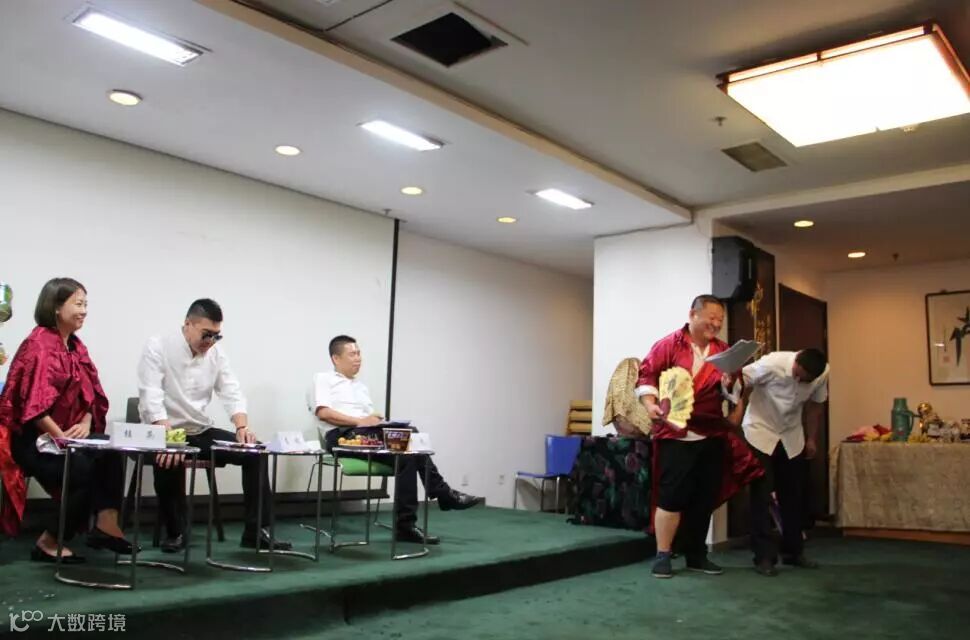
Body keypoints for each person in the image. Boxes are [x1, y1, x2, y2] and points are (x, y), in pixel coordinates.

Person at [137, 298, 289, 552]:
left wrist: (242, 427)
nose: (211, 341)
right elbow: (150, 394)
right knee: (169, 456)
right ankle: (175, 532)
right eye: (206, 334)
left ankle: (256, 531)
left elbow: (231, 391)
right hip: (160, 430)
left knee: (256, 452)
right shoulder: (158, 346)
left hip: (199, 430)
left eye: (217, 336)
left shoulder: (216, 354)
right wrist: (168, 438)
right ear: (188, 325)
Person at [0, 278, 133, 562]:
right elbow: (34, 409)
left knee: (111, 452)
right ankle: (48, 542)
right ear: (57, 307)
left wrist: (85, 423)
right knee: (81, 468)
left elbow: (91, 396)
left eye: (86, 304)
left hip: (69, 434)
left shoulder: (76, 346)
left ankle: (106, 526)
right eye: (78, 304)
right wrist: (64, 440)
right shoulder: (38, 345)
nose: (84, 310)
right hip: (35, 439)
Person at [308, 335, 483, 544]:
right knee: (410, 435)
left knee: (406, 455)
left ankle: (406, 526)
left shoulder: (360, 387)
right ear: (336, 358)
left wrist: (377, 421)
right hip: (342, 436)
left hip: (366, 434)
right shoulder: (323, 379)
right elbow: (323, 413)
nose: (358, 358)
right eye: (352, 354)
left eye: (359, 353)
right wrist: (360, 421)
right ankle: (443, 494)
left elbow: (368, 420)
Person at [637, 295, 762, 579]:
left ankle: (696, 554)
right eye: (711, 317)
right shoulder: (668, 345)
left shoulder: (724, 351)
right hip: (676, 432)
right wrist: (650, 404)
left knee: (704, 498)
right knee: (671, 496)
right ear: (693, 315)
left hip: (712, 432)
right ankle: (663, 554)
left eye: (720, 320)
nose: (716, 324)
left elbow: (734, 392)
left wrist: (729, 384)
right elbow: (646, 377)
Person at [739, 348, 828, 576]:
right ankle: (763, 557)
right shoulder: (772, 364)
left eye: (804, 380)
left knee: (793, 495)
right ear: (795, 361)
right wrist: (737, 410)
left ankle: (793, 552)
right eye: (797, 374)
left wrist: (811, 438)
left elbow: (815, 406)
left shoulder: (822, 374)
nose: (798, 380)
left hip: (791, 435)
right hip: (760, 431)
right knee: (761, 495)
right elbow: (740, 381)